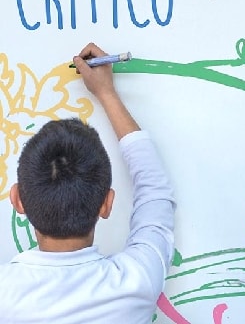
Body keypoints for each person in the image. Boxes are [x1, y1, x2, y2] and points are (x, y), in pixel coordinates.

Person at [0, 43, 176, 323]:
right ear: (107, 203)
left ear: (17, 199)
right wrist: (107, 93)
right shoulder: (136, 281)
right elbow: (154, 189)